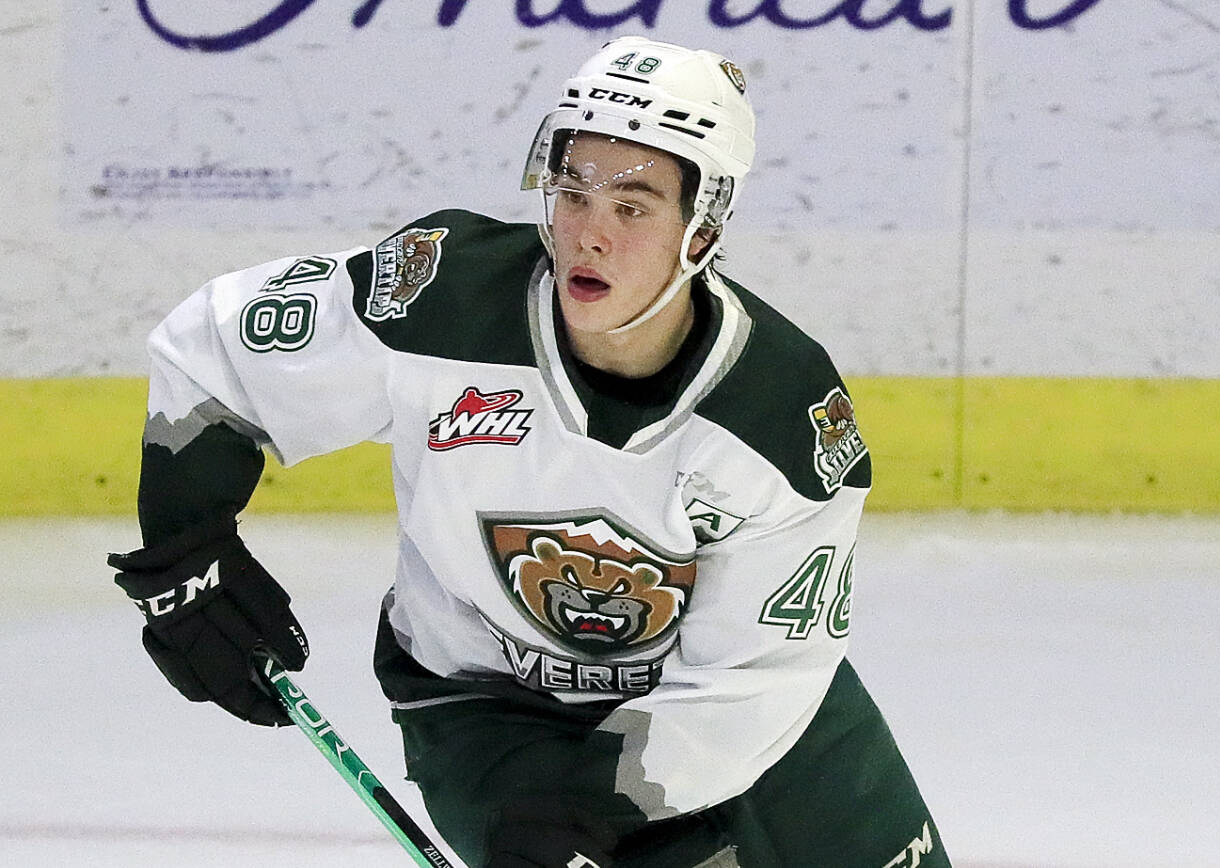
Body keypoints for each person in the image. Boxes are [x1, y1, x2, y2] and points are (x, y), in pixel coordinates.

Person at [108, 36, 950, 868]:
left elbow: (758, 678)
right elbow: (217, 351)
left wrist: (596, 795)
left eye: (633, 205)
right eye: (573, 192)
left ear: (703, 227)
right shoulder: (439, 304)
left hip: (746, 713)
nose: (588, 234)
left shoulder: (781, 415)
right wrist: (188, 543)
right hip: (487, 708)